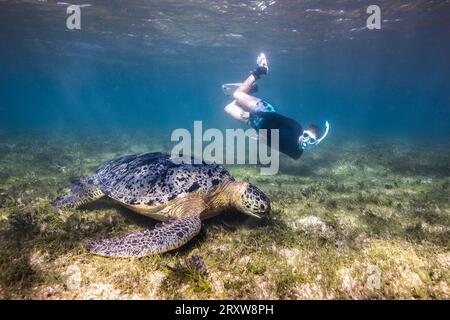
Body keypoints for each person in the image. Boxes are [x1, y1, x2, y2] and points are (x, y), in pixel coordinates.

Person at [223, 53, 329, 159]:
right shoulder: (296, 128)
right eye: (306, 136)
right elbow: (276, 116)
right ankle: (260, 71)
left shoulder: (296, 154)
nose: (306, 141)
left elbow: (278, 146)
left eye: (311, 140)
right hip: (263, 110)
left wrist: (262, 139)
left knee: (228, 108)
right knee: (236, 94)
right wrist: (256, 113)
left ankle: (250, 90)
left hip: (255, 125)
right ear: (303, 132)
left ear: (315, 143)